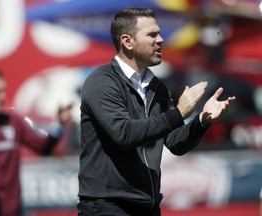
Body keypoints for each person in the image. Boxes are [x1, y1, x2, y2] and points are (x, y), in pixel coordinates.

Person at [77, 8, 235, 216]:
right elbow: (123, 134)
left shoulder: (157, 87)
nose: (161, 40)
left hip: (147, 206)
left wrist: (201, 122)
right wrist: (178, 113)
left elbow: (175, 144)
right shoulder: (102, 81)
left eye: (159, 33)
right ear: (128, 41)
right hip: (107, 206)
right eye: (152, 34)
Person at [0, 67, 72, 216]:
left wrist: (59, 124)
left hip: (14, 210)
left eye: (3, 91)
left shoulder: (11, 121)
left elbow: (43, 147)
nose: (2, 97)